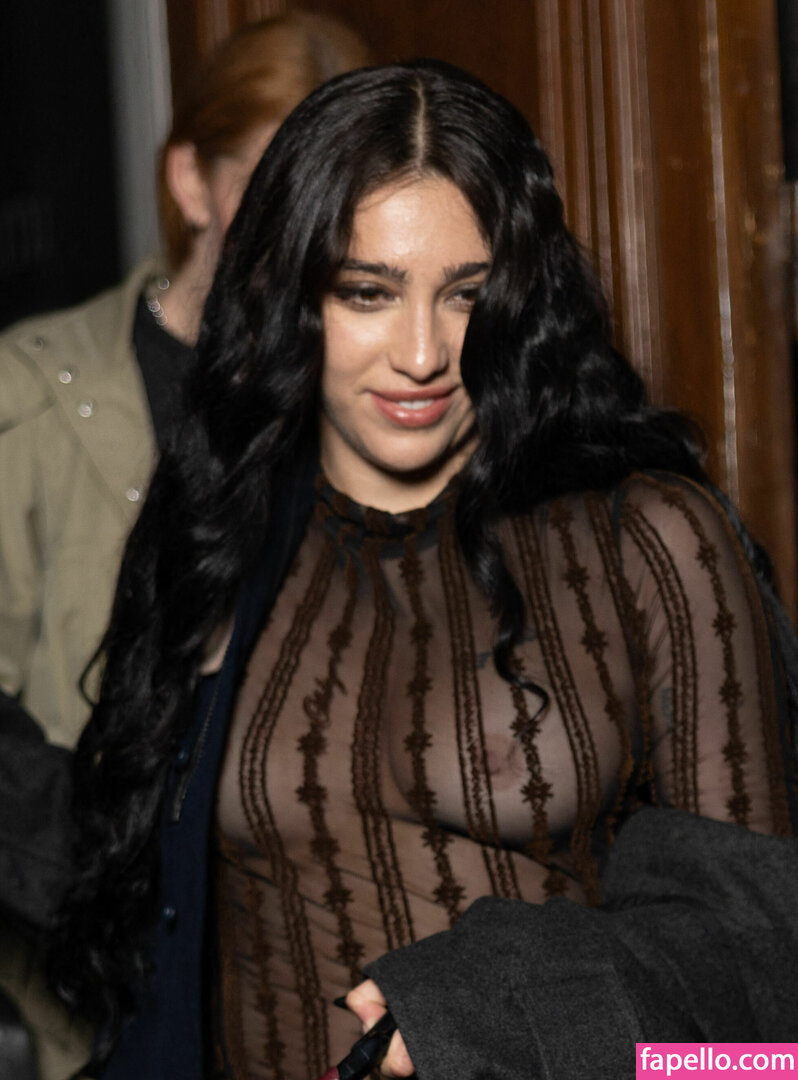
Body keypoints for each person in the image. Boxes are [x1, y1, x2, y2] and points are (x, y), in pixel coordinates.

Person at [51, 60, 798, 1080]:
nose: (421, 353)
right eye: (367, 292)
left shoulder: (649, 540)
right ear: (288, 295)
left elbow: (767, 1028)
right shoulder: (220, 536)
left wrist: (496, 1010)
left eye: (467, 295)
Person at [0, 13, 370, 1080]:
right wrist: (117, 882)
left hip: (321, 982)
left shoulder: (377, 399)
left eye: (336, 201)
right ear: (191, 183)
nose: (302, 234)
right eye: (269, 188)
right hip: (103, 986)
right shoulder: (35, 393)